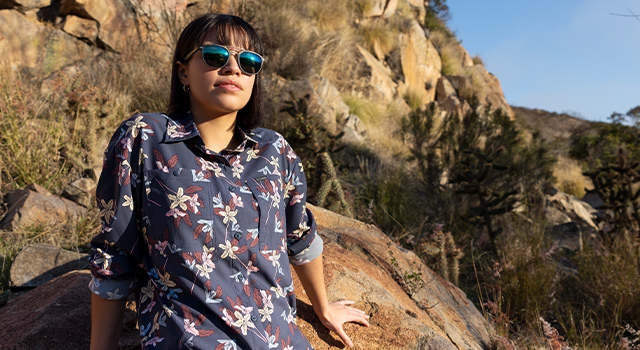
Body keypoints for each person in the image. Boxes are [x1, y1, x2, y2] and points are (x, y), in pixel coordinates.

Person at [88, 13, 369, 350]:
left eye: (249, 62)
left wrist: (324, 309)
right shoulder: (145, 138)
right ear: (182, 72)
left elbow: (300, 238)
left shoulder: (274, 151)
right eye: (215, 56)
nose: (234, 68)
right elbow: (114, 257)